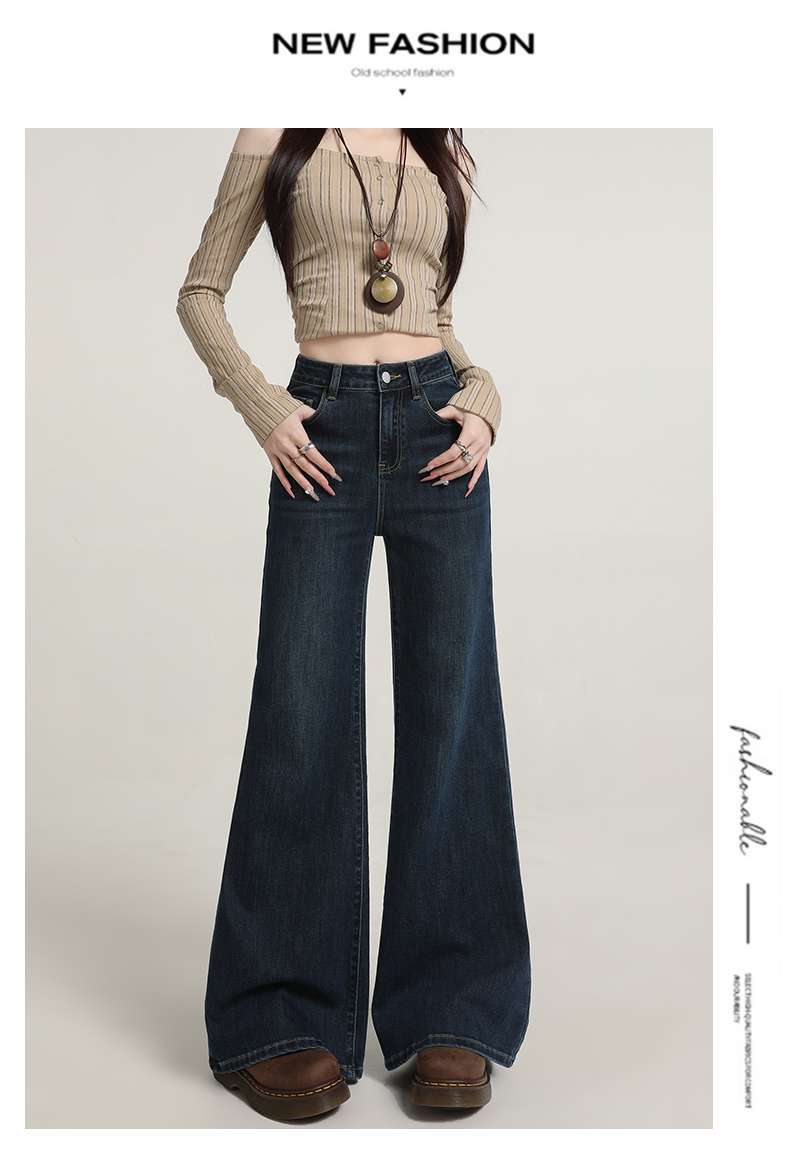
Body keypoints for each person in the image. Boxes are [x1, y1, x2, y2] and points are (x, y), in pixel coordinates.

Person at [176, 127, 531, 1121]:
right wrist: (264, 405)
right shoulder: (277, 129)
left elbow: (433, 311)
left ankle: (451, 1007)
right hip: (321, 428)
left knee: (453, 714)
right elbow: (200, 291)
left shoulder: (435, 142)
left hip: (436, 429)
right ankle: (280, 1008)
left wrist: (483, 397)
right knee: (301, 712)